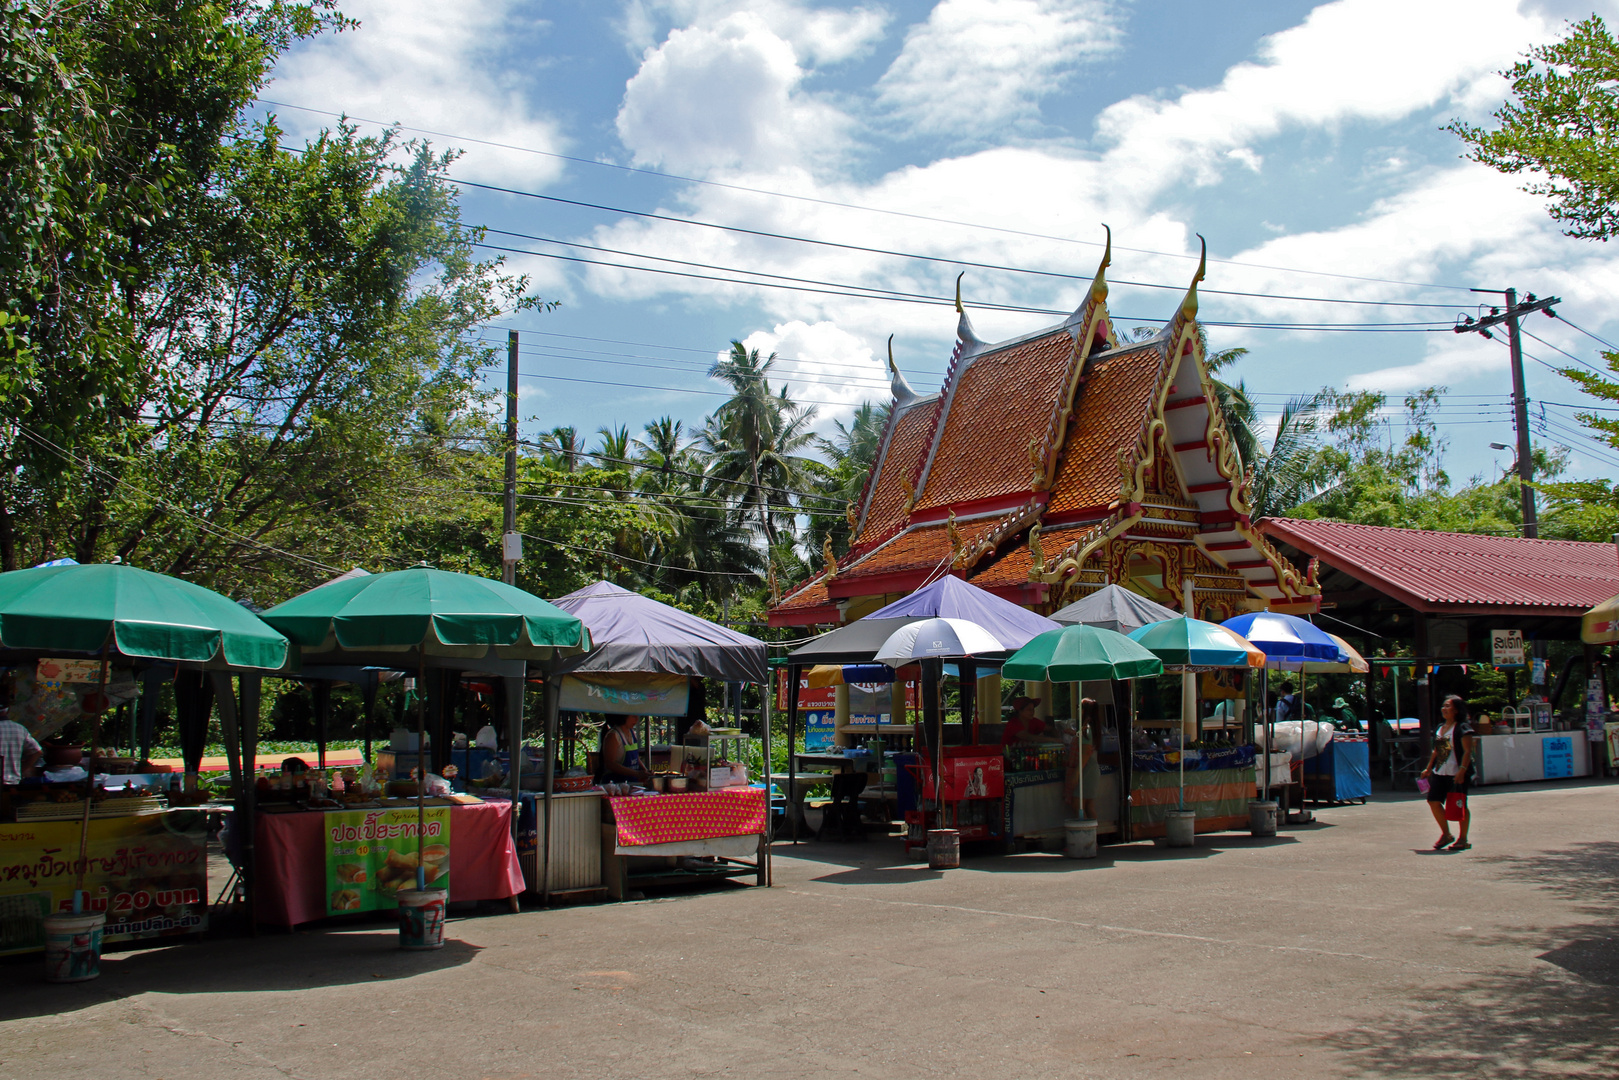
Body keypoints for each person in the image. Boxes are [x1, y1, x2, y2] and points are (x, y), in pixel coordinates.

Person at [1420, 694, 1474, 851]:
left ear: (1456, 710)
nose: (1444, 709)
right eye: (1443, 706)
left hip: (1456, 772)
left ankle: (1463, 838)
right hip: (1440, 771)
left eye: (1448, 706)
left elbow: (1467, 751)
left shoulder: (1462, 728)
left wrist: (1462, 771)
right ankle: (1446, 834)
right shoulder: (1440, 728)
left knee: (1460, 804)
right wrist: (1429, 768)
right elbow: (1438, 751)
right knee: (1433, 801)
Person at [596, 713, 651, 784]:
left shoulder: (631, 732)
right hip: (615, 785)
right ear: (623, 717)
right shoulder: (613, 735)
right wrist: (637, 773)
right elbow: (610, 764)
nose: (637, 719)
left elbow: (636, 758)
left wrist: (645, 771)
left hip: (632, 783)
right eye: (633, 716)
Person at [0, 704, 43, 785]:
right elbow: (37, 751)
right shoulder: (19, 729)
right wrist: (21, 769)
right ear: (8, 710)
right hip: (12, 783)